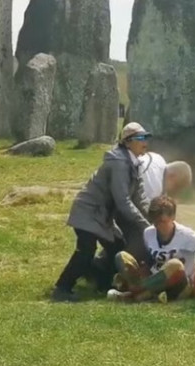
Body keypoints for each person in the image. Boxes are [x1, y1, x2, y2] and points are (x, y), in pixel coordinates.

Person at [49, 122, 154, 302]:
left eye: (146, 138)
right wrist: (145, 226)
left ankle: (102, 283)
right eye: (140, 138)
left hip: (102, 216)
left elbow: (140, 198)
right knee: (86, 250)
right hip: (89, 212)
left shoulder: (133, 163)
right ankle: (62, 288)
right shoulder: (120, 163)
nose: (145, 142)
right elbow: (123, 201)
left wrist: (154, 220)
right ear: (128, 142)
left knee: (118, 248)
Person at [108, 195, 195, 302]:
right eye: (155, 221)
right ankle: (142, 294)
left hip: (180, 283)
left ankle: (132, 291)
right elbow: (151, 259)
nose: (158, 226)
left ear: (173, 217)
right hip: (154, 278)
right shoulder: (148, 233)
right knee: (121, 256)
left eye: (162, 221)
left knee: (175, 265)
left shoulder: (187, 236)